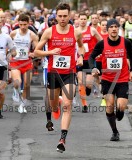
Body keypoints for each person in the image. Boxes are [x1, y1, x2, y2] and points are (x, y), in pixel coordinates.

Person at [34, 3, 84, 152]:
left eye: (65, 16)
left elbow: (81, 46)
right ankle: (56, 106)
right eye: (60, 16)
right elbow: (36, 51)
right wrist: (50, 52)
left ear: (69, 16)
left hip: (69, 73)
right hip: (53, 73)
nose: (62, 19)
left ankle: (62, 139)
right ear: (56, 16)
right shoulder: (49, 32)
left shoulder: (76, 32)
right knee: (54, 105)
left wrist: (80, 56)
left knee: (68, 105)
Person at [89, 19, 132, 141]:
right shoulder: (102, 44)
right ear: (107, 29)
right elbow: (91, 56)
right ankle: (115, 132)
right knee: (109, 107)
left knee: (121, 106)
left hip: (122, 79)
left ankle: (120, 113)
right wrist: (94, 67)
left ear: (118, 29)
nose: (114, 29)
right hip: (107, 80)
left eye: (116, 27)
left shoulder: (125, 42)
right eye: (111, 27)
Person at [10, 14, 39, 113]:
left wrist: (32, 53)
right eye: (21, 24)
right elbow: (7, 45)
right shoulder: (13, 33)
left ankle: (22, 104)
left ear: (28, 24)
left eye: (24, 24)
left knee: (27, 85)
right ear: (18, 23)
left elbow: (37, 48)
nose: (22, 27)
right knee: (18, 82)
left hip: (27, 62)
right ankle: (15, 90)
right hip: (15, 62)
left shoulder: (32, 35)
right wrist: (10, 52)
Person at [77, 12, 102, 113]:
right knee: (81, 82)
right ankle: (84, 105)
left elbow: (101, 41)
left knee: (88, 84)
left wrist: (99, 52)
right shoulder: (75, 31)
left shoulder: (92, 30)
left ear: (87, 20)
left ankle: (88, 89)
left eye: (84, 19)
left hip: (90, 60)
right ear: (78, 20)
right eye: (81, 19)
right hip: (79, 60)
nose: (83, 21)